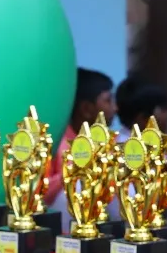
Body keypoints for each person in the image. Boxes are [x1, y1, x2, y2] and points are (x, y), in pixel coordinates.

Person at [44, 67, 116, 208]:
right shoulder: (57, 143)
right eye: (108, 101)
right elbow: (43, 193)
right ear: (86, 109)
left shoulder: (108, 142)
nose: (115, 108)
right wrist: (74, 170)